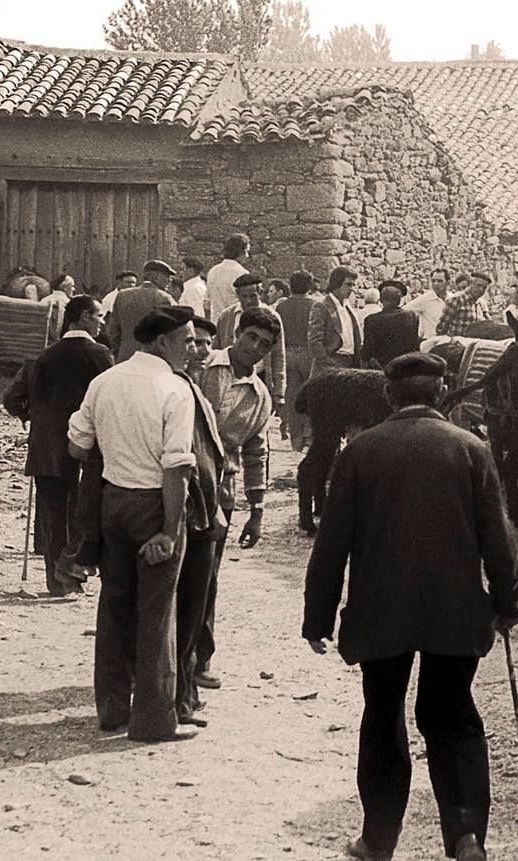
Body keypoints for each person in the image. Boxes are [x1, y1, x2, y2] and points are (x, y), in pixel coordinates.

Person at [303, 352, 518, 861]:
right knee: (452, 712)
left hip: (381, 611)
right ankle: (466, 835)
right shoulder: (471, 449)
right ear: (442, 392)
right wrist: (506, 602)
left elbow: (331, 543)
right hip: (455, 610)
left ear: (387, 394)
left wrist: (318, 616)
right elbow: (499, 540)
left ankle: (378, 838)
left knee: (382, 713)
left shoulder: (360, 451)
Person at [68, 306, 205, 743]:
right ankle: (154, 719)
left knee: (114, 604)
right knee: (157, 614)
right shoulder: (174, 389)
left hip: (113, 501)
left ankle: (110, 709)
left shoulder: (104, 381)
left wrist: (117, 445)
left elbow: (76, 446)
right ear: (162, 341)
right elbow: (177, 468)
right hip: (153, 502)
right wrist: (168, 529)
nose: (191, 349)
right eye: (185, 341)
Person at [188, 305, 279, 695]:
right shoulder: (202, 367)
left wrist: (256, 511)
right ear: (238, 334)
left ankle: (199, 659)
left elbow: (256, 453)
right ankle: (154, 660)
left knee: (206, 578)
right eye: (251, 338)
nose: (255, 348)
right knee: (168, 573)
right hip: (180, 479)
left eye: (265, 345)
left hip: (220, 492)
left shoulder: (260, 396)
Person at [4, 296, 113, 596]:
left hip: (45, 447)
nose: (102, 321)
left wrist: (35, 416)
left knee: (53, 514)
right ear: (81, 318)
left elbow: (11, 400)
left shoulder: (40, 356)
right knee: (85, 511)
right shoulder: (100, 354)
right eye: (98, 315)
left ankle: (56, 582)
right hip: (86, 448)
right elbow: (109, 399)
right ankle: (72, 572)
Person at [172, 314, 227, 729]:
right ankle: (176, 693)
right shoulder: (172, 391)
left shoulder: (197, 392)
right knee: (180, 604)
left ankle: (186, 682)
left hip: (207, 511)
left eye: (206, 344)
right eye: (192, 342)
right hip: (181, 512)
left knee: (199, 599)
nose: (200, 351)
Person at [274, 272, 318, 450]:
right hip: (307, 352)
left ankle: (296, 438)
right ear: (309, 287)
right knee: (312, 395)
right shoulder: (315, 305)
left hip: (288, 351)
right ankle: (309, 432)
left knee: (292, 397)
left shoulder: (281, 306)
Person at [102, 265, 174, 363]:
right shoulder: (165, 298)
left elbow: (114, 330)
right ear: (156, 277)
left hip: (124, 358)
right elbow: (170, 333)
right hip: (153, 360)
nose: (169, 281)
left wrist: (118, 352)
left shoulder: (122, 295)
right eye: (167, 277)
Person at [309, 267, 363, 370]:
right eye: (348, 284)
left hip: (351, 361)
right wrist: (326, 362)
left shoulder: (348, 307)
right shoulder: (322, 306)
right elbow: (314, 341)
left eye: (353, 285)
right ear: (336, 284)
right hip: (334, 360)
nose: (351, 289)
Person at [360, 282, 421, 369]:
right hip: (405, 367)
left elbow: (368, 350)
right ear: (400, 300)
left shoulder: (371, 320)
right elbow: (415, 345)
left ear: (380, 300)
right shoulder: (412, 316)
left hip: (381, 368)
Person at [205, 233, 250, 319]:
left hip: (217, 323)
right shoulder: (241, 273)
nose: (247, 256)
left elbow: (207, 303)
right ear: (240, 252)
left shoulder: (213, 271)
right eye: (246, 251)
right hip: (235, 322)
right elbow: (246, 303)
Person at [403, 268, 450, 340]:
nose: (435, 284)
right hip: (429, 342)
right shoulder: (425, 299)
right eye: (433, 281)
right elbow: (404, 310)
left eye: (440, 281)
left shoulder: (453, 298)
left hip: (449, 342)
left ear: (447, 283)